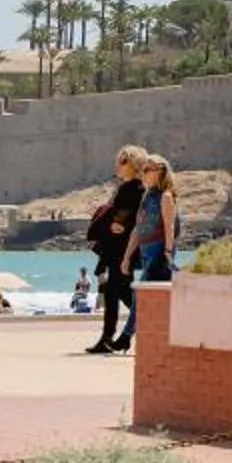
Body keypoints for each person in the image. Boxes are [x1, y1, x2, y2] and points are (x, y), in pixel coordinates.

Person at [84, 146, 145, 356]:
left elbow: (130, 218)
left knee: (119, 290)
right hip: (118, 247)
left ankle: (146, 321)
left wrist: (115, 224)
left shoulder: (135, 189)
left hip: (122, 248)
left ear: (133, 164)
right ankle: (109, 337)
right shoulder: (127, 187)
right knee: (113, 290)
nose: (118, 165)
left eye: (123, 161)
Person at [117, 157, 179, 353]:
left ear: (159, 171)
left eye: (147, 170)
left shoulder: (165, 196)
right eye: (142, 170)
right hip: (146, 251)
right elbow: (138, 228)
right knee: (155, 298)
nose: (142, 174)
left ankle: (125, 337)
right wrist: (127, 256)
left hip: (159, 251)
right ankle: (161, 338)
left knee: (142, 295)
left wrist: (168, 252)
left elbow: (169, 226)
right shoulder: (147, 197)